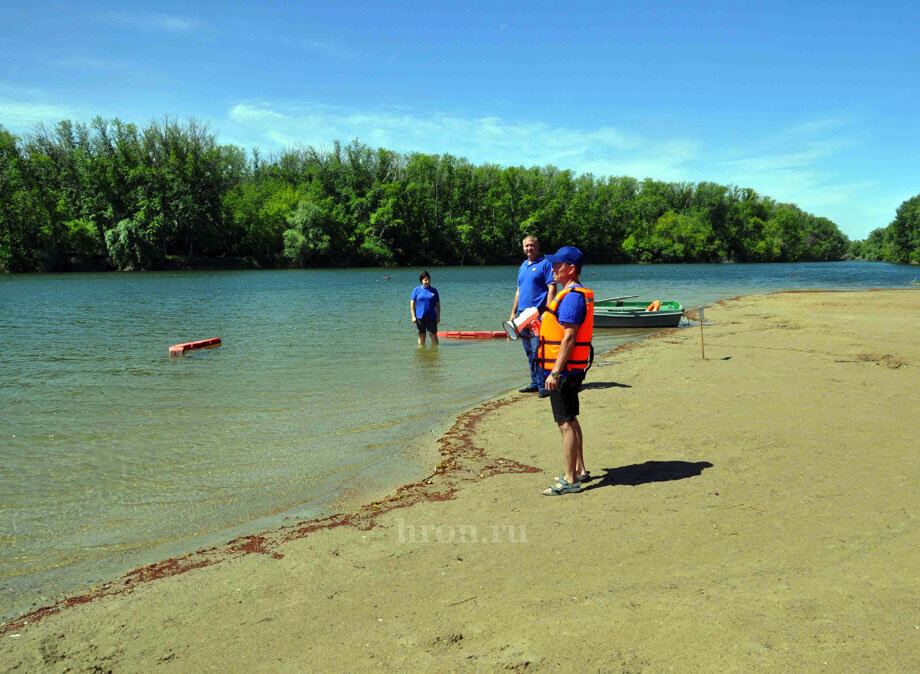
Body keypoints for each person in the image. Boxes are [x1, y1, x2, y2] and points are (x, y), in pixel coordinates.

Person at [537, 246, 594, 496]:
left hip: (565, 371)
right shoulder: (570, 295)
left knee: (564, 423)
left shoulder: (572, 297)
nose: (553, 269)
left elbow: (570, 337)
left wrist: (555, 372)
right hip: (571, 369)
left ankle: (570, 479)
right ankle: (579, 469)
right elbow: (561, 331)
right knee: (571, 418)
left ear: (571, 269)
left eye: (557, 265)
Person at [509, 235, 556, 394]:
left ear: (538, 246)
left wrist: (548, 311)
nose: (529, 248)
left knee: (539, 350)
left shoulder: (545, 264)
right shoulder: (522, 266)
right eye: (526, 246)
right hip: (522, 315)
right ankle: (534, 383)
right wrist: (513, 313)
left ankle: (543, 386)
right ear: (523, 248)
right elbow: (518, 291)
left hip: (538, 313)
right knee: (529, 350)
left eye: (532, 245)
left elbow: (552, 287)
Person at [410, 271, 440, 346]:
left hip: (432, 317)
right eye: (425, 280)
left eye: (428, 279)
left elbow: (438, 305)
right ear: (421, 281)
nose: (427, 281)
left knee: (433, 336)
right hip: (420, 317)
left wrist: (438, 317)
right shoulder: (416, 290)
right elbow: (412, 304)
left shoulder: (434, 290)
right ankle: (421, 353)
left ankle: (435, 353)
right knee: (421, 336)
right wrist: (413, 316)